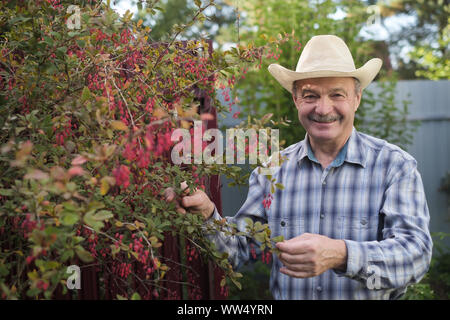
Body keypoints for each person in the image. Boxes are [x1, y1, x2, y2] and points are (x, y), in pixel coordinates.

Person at [165, 35, 432, 299]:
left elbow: (415, 256)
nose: (323, 108)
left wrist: (342, 254)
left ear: (356, 99)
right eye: (310, 95)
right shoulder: (272, 171)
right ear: (296, 100)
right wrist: (207, 214)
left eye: (337, 94)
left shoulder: (394, 167)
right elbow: (238, 251)